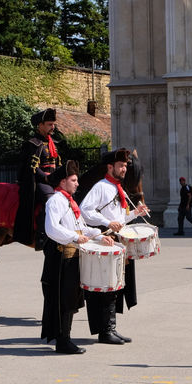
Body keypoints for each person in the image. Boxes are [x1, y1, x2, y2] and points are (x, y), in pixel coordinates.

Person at [41, 160, 114, 354]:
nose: (77, 183)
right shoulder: (55, 201)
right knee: (62, 300)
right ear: (63, 182)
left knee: (70, 298)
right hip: (60, 259)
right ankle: (62, 340)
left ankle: (65, 338)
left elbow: (82, 228)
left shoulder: (69, 201)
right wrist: (75, 237)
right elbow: (52, 228)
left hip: (72, 256)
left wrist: (99, 236)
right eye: (73, 180)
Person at [79, 149, 149, 345]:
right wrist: (106, 223)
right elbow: (85, 211)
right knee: (106, 287)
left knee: (115, 286)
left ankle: (111, 328)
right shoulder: (101, 187)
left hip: (118, 240)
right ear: (110, 167)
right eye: (121, 166)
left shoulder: (119, 188)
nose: (124, 169)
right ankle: (104, 331)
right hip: (105, 241)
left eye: (126, 166)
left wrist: (135, 213)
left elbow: (119, 219)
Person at [14, 108, 63, 247]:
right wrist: (47, 179)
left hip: (53, 180)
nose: (52, 127)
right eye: (49, 124)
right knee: (50, 199)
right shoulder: (33, 144)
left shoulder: (53, 143)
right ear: (40, 125)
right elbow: (32, 168)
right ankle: (42, 236)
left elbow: (56, 164)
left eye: (53, 124)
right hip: (39, 181)